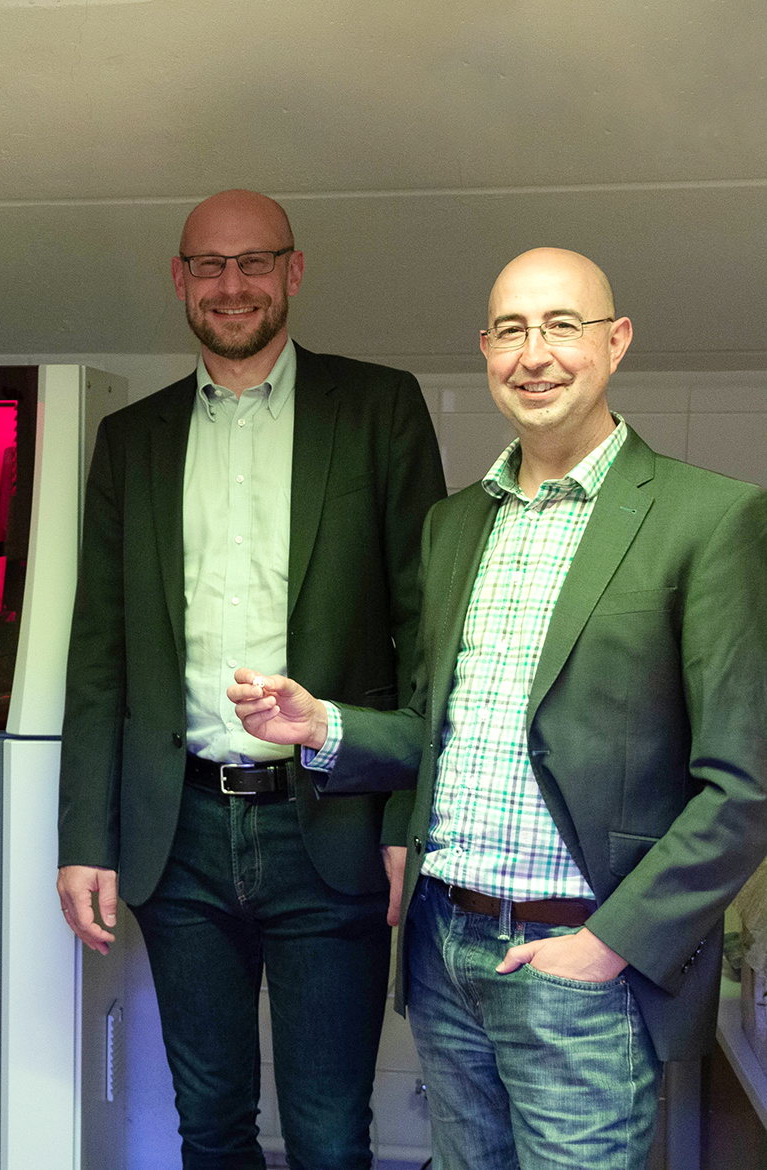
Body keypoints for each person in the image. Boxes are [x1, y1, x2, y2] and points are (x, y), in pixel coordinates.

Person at [231, 247, 767, 1169]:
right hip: (444, 952)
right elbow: (448, 734)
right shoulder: (454, 525)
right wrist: (324, 726)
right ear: (485, 351)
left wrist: (610, 945)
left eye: (563, 325)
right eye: (512, 330)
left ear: (616, 342)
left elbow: (744, 789)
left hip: (586, 968)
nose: (535, 353)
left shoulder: (708, 520)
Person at [56, 189, 446, 1168]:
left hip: (330, 823)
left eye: (253, 262)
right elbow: (96, 651)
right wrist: (82, 841)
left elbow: (426, 632)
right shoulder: (132, 441)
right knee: (211, 1125)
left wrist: (407, 819)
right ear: (179, 280)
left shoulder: (375, 410)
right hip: (177, 834)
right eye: (209, 266)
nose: (231, 286)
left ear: (292, 271)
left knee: (325, 1134)